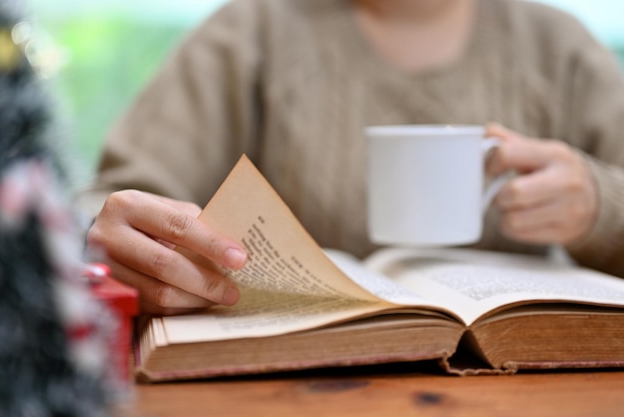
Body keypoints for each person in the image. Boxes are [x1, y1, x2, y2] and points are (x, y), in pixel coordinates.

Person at [77, 0, 624, 316]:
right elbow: (110, 205)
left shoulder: (560, 48)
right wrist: (109, 238)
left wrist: (600, 205)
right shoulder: (252, 31)